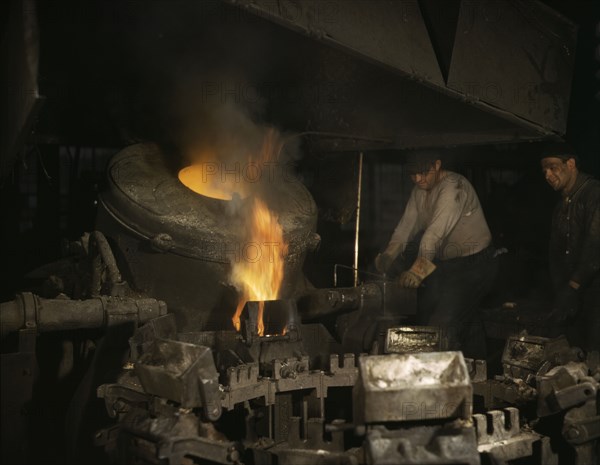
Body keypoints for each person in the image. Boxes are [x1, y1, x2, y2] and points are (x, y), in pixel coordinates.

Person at [375, 149, 497, 357]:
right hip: (448, 265)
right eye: (413, 174)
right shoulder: (419, 192)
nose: (418, 179)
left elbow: (433, 235)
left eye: (423, 173)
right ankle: (476, 374)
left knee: (442, 323)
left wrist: (417, 272)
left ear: (437, 165)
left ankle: (445, 379)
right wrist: (388, 255)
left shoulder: (453, 188)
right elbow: (406, 227)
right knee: (461, 319)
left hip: (475, 265)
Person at [540, 142, 600, 352]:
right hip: (576, 291)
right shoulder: (561, 205)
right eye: (544, 170)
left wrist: (573, 286)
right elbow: (554, 252)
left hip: (594, 289)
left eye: (553, 167)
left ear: (571, 164)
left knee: (594, 350)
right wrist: (562, 290)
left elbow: (595, 245)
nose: (547, 174)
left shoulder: (594, 194)